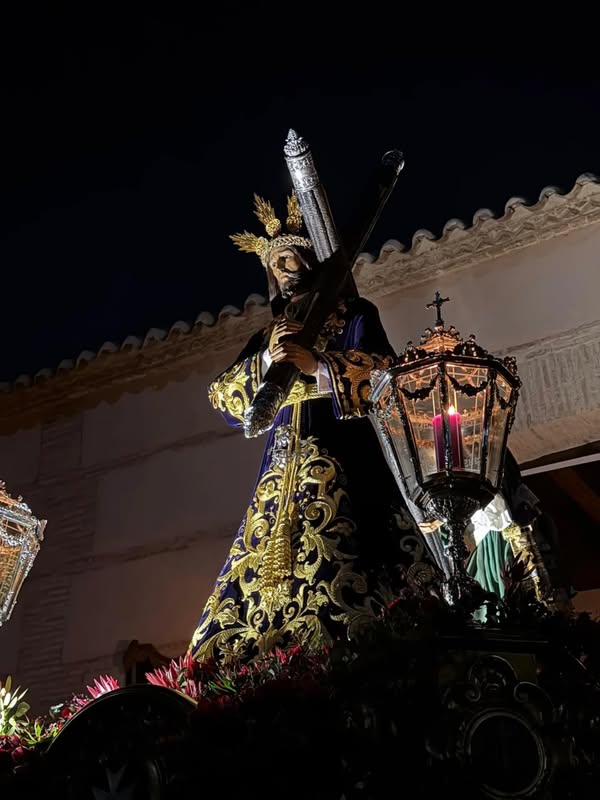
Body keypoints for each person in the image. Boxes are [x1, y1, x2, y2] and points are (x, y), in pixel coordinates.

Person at [187, 194, 432, 664]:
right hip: (279, 475)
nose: (285, 268)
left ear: (311, 260)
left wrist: (319, 364)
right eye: (275, 263)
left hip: (343, 453)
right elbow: (224, 398)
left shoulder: (355, 316)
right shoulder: (266, 336)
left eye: (292, 256)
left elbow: (384, 376)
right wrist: (264, 360)